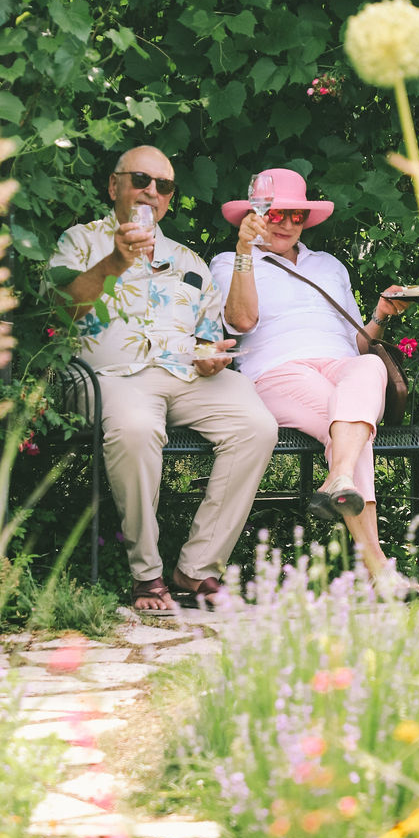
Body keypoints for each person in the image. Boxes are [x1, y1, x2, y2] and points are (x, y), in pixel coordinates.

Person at [49, 143, 278, 612]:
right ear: (114, 186)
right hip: (109, 376)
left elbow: (209, 335)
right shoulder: (80, 241)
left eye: (164, 186)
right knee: (135, 426)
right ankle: (147, 574)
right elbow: (63, 308)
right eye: (141, 180)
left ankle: (197, 570)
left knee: (256, 425)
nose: (152, 191)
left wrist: (213, 356)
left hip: (184, 375)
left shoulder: (190, 261)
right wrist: (115, 261)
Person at [209, 167, 408, 579]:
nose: (285, 224)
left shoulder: (329, 266)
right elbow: (242, 321)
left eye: (295, 215)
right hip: (280, 371)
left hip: (342, 366)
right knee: (354, 429)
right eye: (275, 214)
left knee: (369, 367)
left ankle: (337, 479)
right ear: (256, 216)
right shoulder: (229, 261)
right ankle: (377, 569)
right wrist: (246, 251)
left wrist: (380, 317)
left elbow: (359, 343)